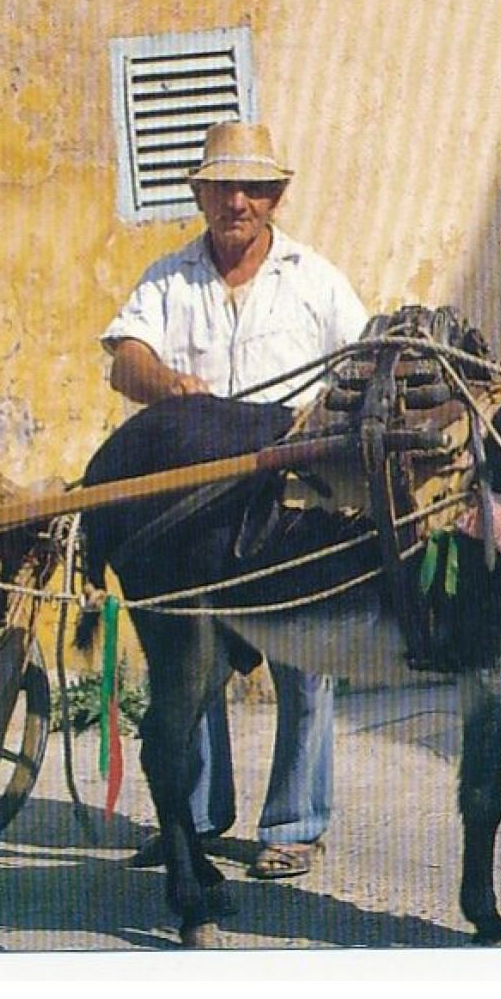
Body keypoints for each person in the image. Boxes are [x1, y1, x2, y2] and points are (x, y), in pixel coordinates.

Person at [99, 121, 370, 879]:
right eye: (222, 187)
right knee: (189, 665)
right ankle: (197, 816)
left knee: (305, 661)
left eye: (252, 188)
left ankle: (292, 822)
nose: (237, 201)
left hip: (292, 501)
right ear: (201, 195)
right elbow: (124, 361)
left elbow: (360, 370)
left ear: (276, 197)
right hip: (193, 508)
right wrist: (173, 389)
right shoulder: (168, 277)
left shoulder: (314, 279)